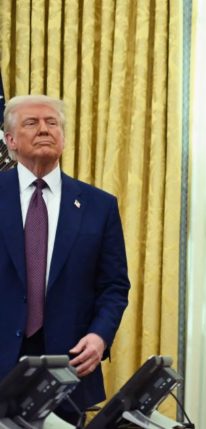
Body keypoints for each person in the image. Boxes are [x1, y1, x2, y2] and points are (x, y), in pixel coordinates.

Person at [0, 95, 130, 423]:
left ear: (64, 137)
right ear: (10, 140)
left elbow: (114, 286)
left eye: (52, 123)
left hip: (69, 369)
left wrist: (100, 336)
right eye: (32, 123)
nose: (44, 129)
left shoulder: (99, 206)